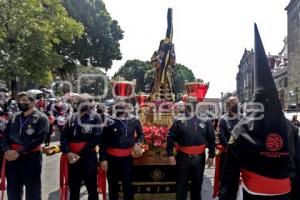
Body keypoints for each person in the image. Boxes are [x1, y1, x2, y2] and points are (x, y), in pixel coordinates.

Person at [219, 24, 300, 200]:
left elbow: (230, 174)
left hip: (255, 194)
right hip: (285, 194)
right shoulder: (291, 128)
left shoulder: (241, 129)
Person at [1, 92, 49, 200]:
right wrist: (7, 150)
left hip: (31, 157)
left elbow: (39, 139)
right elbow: (5, 136)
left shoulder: (41, 118)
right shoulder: (14, 117)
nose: (21, 103)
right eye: (19, 101)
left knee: (32, 190)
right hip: (12, 158)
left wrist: (19, 152)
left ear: (33, 102)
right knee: (13, 190)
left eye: (24, 100)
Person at [166, 102, 215, 200]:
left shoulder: (205, 119)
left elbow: (211, 138)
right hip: (183, 158)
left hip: (199, 158)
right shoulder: (179, 119)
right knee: (181, 186)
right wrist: (170, 154)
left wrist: (211, 156)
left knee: (197, 185)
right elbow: (170, 137)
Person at [60, 95, 102, 200]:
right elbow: (64, 137)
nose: (79, 103)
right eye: (77, 102)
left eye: (82, 101)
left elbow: (96, 138)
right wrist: (68, 152)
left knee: (91, 188)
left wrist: (79, 153)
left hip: (88, 157)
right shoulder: (71, 117)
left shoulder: (95, 117)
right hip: (72, 158)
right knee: (73, 188)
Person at [99, 102, 144, 200]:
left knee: (128, 183)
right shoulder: (109, 121)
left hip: (127, 158)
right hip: (111, 158)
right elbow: (103, 141)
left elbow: (141, 135)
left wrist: (137, 143)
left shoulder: (135, 120)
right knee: (112, 183)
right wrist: (102, 159)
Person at [213, 96, 241, 198]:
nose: (236, 105)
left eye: (237, 103)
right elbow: (222, 136)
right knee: (226, 182)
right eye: (233, 103)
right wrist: (231, 150)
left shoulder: (243, 118)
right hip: (227, 155)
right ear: (228, 106)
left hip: (241, 155)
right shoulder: (223, 119)